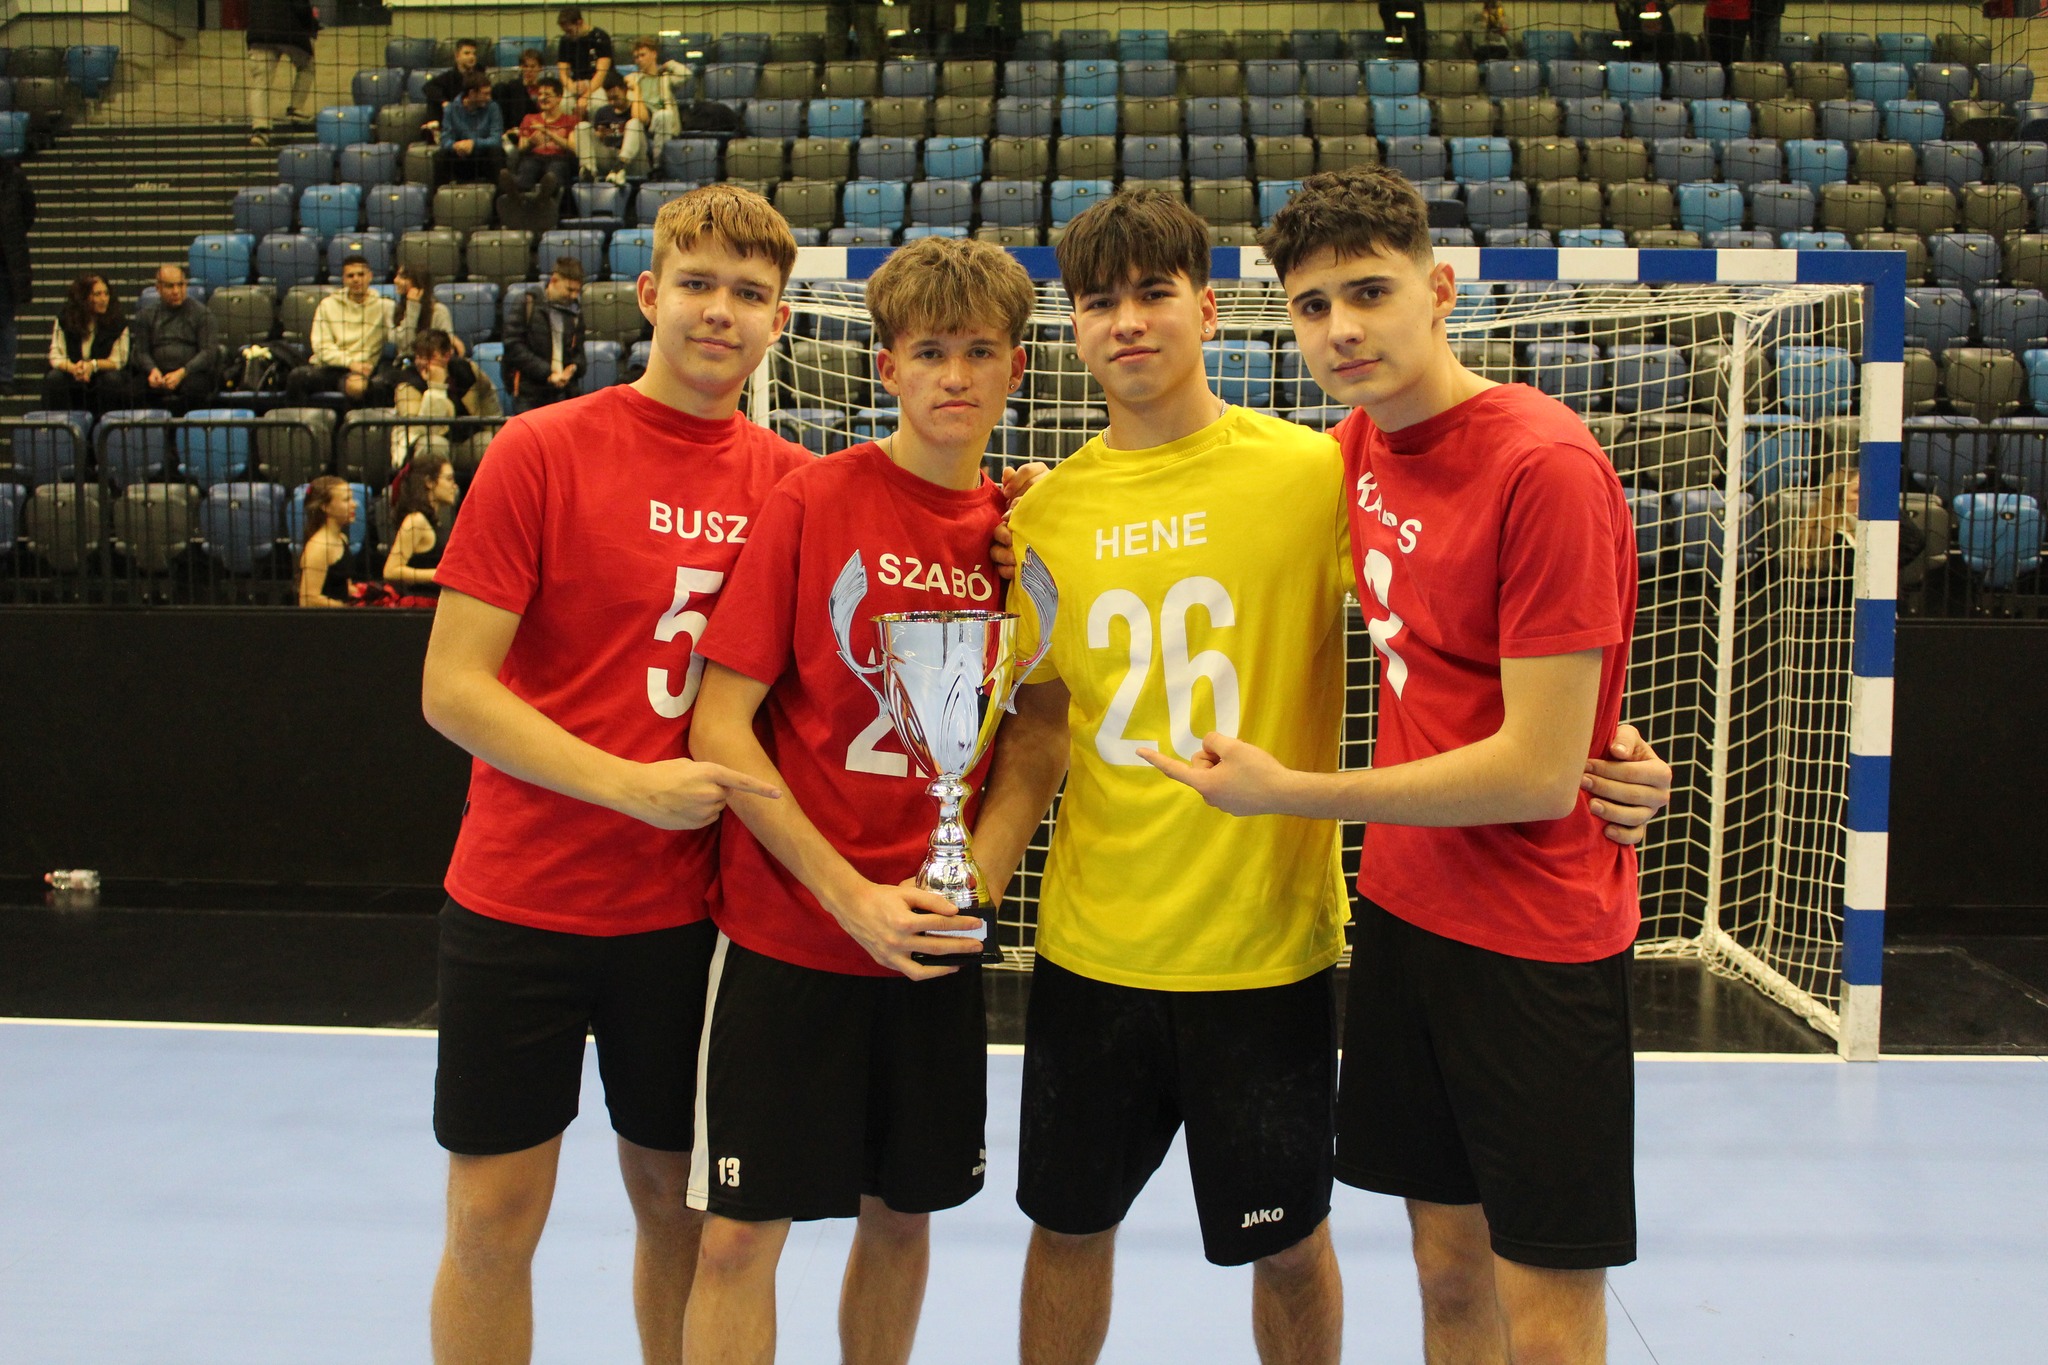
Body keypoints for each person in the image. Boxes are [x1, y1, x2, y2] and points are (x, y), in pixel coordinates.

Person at [969, 188, 1672, 1365]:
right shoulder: (1054, 512)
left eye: (1153, 293)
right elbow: (1037, 722)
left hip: (1295, 941)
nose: (1127, 321)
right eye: (1098, 301)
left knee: (1317, 1251)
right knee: (1088, 1231)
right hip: (1138, 938)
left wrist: (1598, 742)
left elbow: (1498, 647)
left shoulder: (1318, 468)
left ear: (1208, 310)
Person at [417, 184, 810, 1365]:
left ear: (780, 320)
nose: (719, 311)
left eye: (749, 293)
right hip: (520, 901)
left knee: (676, 1211)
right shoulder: (541, 449)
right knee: (491, 1216)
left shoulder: (792, 484)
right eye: (697, 284)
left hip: (690, 920)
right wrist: (630, 785)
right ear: (648, 294)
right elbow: (452, 689)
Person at [682, 237, 1040, 1365]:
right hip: (791, 934)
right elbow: (718, 726)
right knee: (737, 1239)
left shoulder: (1028, 535)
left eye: (978, 351)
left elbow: (1042, 731)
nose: (954, 376)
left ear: (1016, 367)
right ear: (885, 368)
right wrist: (849, 898)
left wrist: (974, 880)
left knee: (901, 1218)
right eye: (929, 352)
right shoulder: (812, 500)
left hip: (931, 943)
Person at [288, 255, 391, 406]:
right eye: (350, 276)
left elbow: (398, 335)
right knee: (298, 376)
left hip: (360, 371)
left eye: (361, 274)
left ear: (370, 276)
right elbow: (321, 346)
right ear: (344, 279)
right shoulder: (328, 305)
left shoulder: (385, 307)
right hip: (329, 368)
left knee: (358, 387)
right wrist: (349, 362)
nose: (356, 279)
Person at [392, 328, 493, 473]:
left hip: (462, 443)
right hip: (421, 445)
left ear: (447, 355)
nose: (422, 362)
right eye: (419, 356)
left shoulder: (467, 370)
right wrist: (436, 387)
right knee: (434, 445)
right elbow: (425, 429)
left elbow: (488, 400)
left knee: (491, 442)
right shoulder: (407, 383)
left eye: (429, 356)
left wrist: (497, 431)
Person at [130, 264, 219, 412]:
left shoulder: (203, 314)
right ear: (158, 288)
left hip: (191, 374)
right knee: (132, 391)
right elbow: (141, 351)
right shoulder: (145, 315)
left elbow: (208, 352)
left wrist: (182, 372)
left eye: (180, 285)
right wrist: (152, 370)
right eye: (170, 286)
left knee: (196, 389)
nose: (176, 291)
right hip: (157, 374)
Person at [502, 257, 586, 412]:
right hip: (530, 395)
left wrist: (574, 367)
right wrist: (547, 373)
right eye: (569, 290)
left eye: (577, 291)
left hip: (564, 394)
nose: (574, 296)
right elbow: (513, 346)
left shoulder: (575, 311)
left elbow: (579, 352)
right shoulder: (527, 303)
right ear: (554, 280)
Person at [42, 272, 131, 415]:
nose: (104, 299)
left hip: (101, 377)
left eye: (106, 294)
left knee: (112, 379)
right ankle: (60, 425)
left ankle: (107, 425)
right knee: (54, 377)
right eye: (97, 294)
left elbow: (119, 360)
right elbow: (56, 355)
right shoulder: (65, 319)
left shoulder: (118, 322)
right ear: (83, 297)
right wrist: (73, 369)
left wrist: (93, 365)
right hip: (73, 375)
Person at [384, 453, 460, 601]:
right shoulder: (415, 521)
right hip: (420, 604)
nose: (454, 486)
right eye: (449, 479)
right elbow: (391, 571)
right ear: (429, 482)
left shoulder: (434, 521)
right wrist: (441, 574)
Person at [245, 0, 319, 148]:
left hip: (260, 34)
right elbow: (301, 7)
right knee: (307, 66)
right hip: (288, 33)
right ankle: (295, 109)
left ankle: (260, 131)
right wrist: (313, 25)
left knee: (261, 83)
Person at [574, 71, 650, 185]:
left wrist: (636, 90)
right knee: (582, 127)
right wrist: (599, 136)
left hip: (634, 161)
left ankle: (620, 167)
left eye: (615, 98)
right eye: (609, 99)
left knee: (635, 123)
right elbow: (596, 140)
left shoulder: (637, 108)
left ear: (625, 90)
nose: (612, 102)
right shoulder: (603, 112)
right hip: (609, 161)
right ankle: (588, 172)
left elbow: (642, 119)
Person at [623, 35, 690, 161]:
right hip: (645, 124)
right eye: (636, 57)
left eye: (642, 55)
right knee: (634, 123)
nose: (639, 60)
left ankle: (658, 164)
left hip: (665, 123)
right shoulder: (632, 79)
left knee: (664, 115)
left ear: (654, 54)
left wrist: (668, 65)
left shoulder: (665, 78)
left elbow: (687, 74)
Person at [298, 475, 359, 608]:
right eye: (346, 500)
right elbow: (308, 600)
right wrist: (345, 609)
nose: (355, 504)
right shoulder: (319, 547)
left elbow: (343, 586)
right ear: (325, 507)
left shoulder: (342, 538)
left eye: (352, 498)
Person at [436, 72, 506, 186]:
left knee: (497, 152)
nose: (489, 98)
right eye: (485, 94)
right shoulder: (451, 109)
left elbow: (496, 139)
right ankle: (438, 193)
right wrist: (456, 146)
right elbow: (445, 140)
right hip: (461, 158)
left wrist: (473, 143)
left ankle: (500, 193)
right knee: (441, 155)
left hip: (483, 158)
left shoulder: (493, 107)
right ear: (472, 93)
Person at [0, 157, 32, 399]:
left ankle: (4, 377)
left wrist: (11, 235)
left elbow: (29, 213)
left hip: (6, 262)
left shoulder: (14, 176)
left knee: (5, 321)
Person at [389, 264, 462, 362]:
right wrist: (412, 308)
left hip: (433, 362)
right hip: (406, 363)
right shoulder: (398, 308)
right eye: (397, 275)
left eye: (403, 277)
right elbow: (404, 345)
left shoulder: (439, 311)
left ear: (418, 283)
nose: (395, 280)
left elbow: (445, 347)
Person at [555, 5, 616, 105]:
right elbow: (563, 73)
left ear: (580, 22)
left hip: (598, 85)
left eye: (569, 31)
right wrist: (571, 87)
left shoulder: (601, 37)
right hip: (577, 83)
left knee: (596, 103)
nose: (568, 35)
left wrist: (585, 96)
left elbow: (602, 73)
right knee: (564, 103)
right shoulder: (565, 40)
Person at [422, 38, 483, 125]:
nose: (472, 57)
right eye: (467, 53)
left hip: (476, 115)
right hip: (454, 116)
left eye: (474, 54)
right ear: (457, 56)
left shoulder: (481, 74)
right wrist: (444, 102)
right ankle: (433, 128)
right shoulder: (449, 76)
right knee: (434, 99)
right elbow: (427, 87)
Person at [492, 48, 547, 131]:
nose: (529, 70)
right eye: (525, 66)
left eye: (533, 66)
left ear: (540, 68)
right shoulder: (512, 87)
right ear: (521, 67)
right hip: (516, 127)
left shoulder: (545, 87)